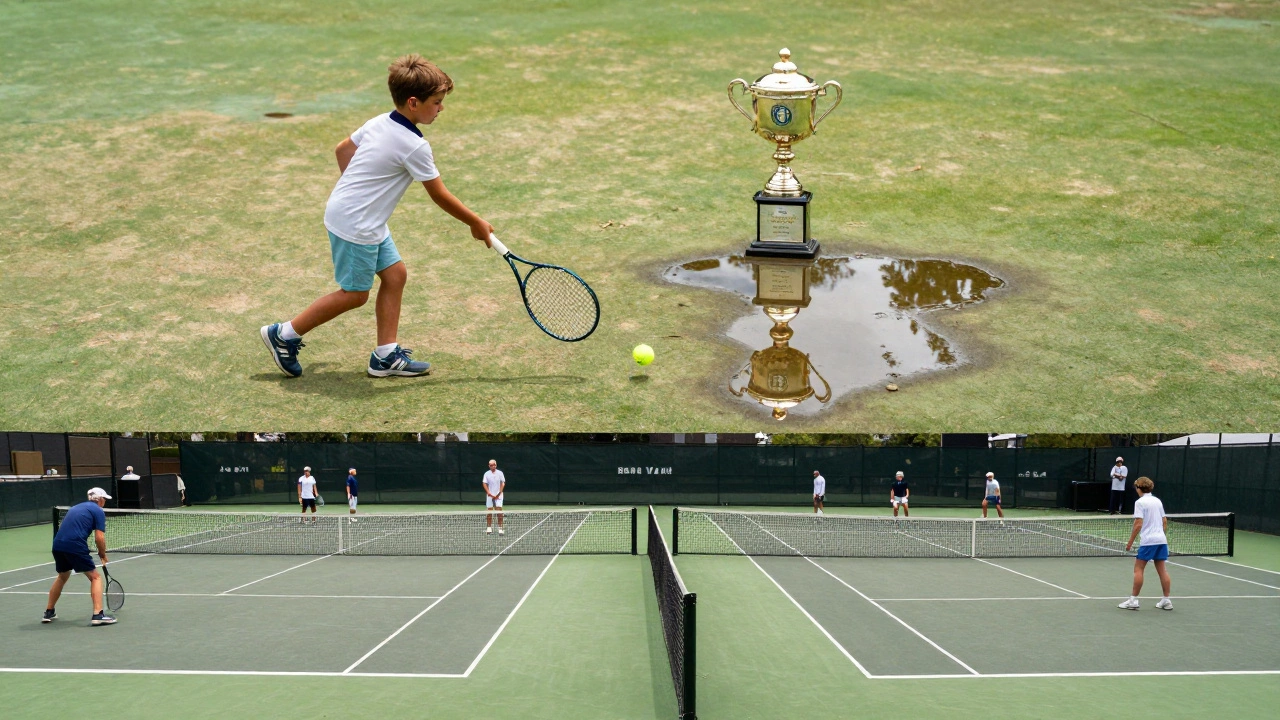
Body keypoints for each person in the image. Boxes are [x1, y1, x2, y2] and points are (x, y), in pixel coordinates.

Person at [259, 54, 495, 379]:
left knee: (395, 275)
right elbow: (439, 194)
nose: (441, 108)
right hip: (357, 224)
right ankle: (284, 334)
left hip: (356, 215)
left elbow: (342, 149)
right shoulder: (415, 146)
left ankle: (384, 356)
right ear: (414, 102)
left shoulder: (380, 121)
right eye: (437, 102)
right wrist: (475, 222)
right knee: (355, 294)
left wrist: (356, 193)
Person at [44, 488, 115, 626]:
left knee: (62, 576)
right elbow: (99, 537)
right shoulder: (98, 511)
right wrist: (102, 554)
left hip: (58, 545)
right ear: (99, 500)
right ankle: (98, 615)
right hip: (74, 545)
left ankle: (49, 611)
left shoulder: (75, 508)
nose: (105, 501)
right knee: (95, 577)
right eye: (104, 499)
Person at [1119, 477, 1173, 611]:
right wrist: (1161, 537)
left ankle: (1133, 600)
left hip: (1148, 541)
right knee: (1162, 570)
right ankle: (1166, 600)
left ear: (1139, 488)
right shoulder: (1157, 501)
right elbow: (1164, 521)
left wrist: (1130, 542)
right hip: (1161, 540)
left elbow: (1138, 523)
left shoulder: (1139, 502)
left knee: (1138, 569)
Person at [483, 459, 505, 534]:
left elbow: (503, 483)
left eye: (494, 465)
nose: (493, 466)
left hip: (499, 496)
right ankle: (489, 528)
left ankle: (500, 528)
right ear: (489, 466)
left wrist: (499, 493)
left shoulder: (500, 473)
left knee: (499, 511)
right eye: (491, 465)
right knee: (489, 511)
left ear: (496, 465)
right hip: (490, 496)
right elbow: (484, 483)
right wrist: (489, 493)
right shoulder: (486, 474)